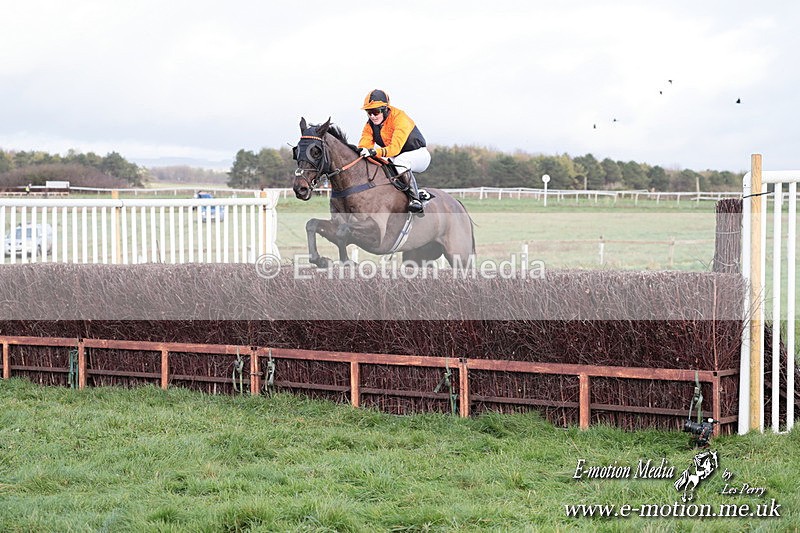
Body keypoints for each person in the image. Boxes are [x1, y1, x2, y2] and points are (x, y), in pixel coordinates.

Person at [357, 89, 432, 214]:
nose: (372, 116)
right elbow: (364, 144)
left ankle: (415, 199)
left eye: (375, 112)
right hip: (395, 156)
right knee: (378, 164)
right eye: (369, 112)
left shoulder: (400, 118)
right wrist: (362, 151)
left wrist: (374, 152)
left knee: (400, 161)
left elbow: (395, 148)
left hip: (418, 154)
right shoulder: (370, 124)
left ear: (385, 109)